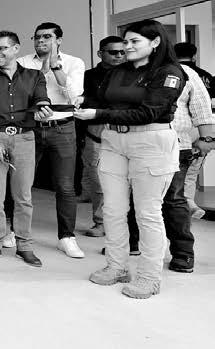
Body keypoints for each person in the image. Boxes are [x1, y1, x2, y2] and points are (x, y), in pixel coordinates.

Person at [75, 19, 185, 299]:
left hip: (151, 140)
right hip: (113, 140)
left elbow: (149, 112)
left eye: (135, 41)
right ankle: (117, 266)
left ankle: (149, 277)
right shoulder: (118, 71)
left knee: (147, 213)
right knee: (112, 210)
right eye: (126, 41)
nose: (128, 46)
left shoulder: (169, 72)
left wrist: (98, 114)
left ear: (155, 42)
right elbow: (102, 101)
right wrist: (83, 103)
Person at [0, 30, 51, 268]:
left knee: (23, 197)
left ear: (16, 49)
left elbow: (41, 100)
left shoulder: (34, 76)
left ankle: (24, 246)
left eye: (2, 48)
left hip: (25, 138)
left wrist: (43, 110)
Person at [125, 62, 214, 274]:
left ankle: (183, 253)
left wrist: (207, 139)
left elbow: (202, 108)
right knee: (134, 196)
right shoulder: (130, 71)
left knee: (173, 199)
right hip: (134, 142)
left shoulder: (184, 72)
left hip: (177, 144)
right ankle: (133, 243)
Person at [16, 22, 86, 259]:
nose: (41, 41)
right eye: (37, 37)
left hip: (62, 128)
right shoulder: (23, 62)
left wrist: (56, 68)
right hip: (30, 128)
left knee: (65, 186)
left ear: (59, 40)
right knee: (20, 182)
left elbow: (75, 96)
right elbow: (18, 94)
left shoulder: (74, 63)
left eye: (47, 37)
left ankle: (66, 237)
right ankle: (14, 231)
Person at [80, 36, 126, 238]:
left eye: (123, 52)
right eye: (113, 52)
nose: (119, 56)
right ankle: (101, 222)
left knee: (127, 179)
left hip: (127, 128)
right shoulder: (89, 75)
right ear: (100, 53)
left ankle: (125, 225)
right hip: (97, 128)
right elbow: (84, 100)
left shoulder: (133, 73)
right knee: (98, 178)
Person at [174, 42, 215, 217]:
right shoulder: (206, 76)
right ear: (194, 56)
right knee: (192, 170)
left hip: (180, 128)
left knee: (176, 168)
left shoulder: (173, 73)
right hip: (203, 127)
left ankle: (180, 205)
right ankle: (188, 203)